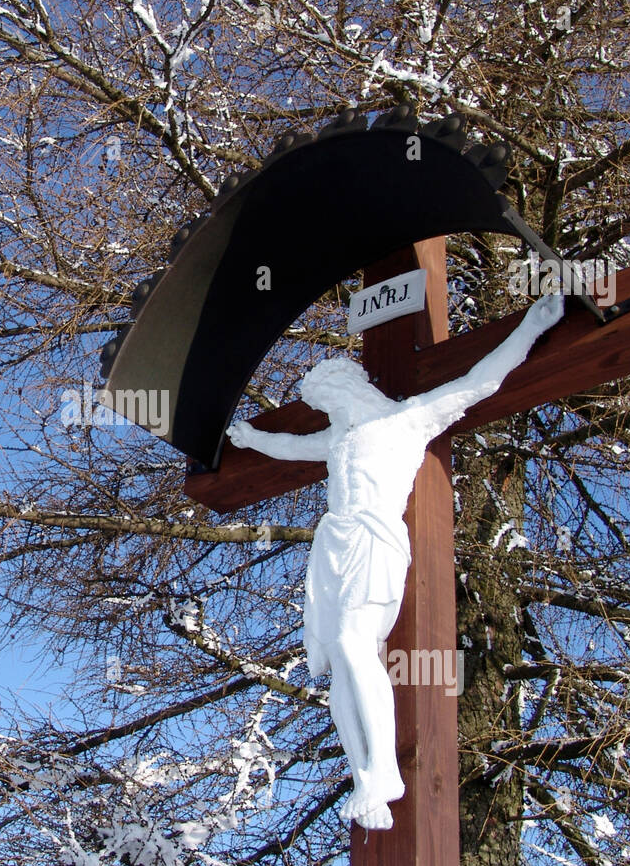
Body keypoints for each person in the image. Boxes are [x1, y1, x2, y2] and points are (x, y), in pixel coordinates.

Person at [227, 292, 564, 829]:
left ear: (352, 389)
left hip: (376, 537)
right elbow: (291, 449)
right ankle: (365, 776)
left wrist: (528, 328)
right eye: (325, 410)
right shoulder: (341, 436)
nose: (329, 415)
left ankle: (386, 768)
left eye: (331, 403)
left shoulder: (408, 420)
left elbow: (479, 382)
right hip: (333, 545)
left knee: (355, 644)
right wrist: (251, 438)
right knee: (339, 664)